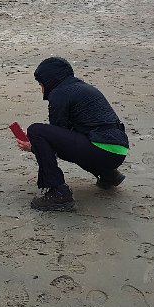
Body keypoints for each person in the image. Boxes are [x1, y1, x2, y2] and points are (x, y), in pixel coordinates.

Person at [15, 57, 129, 212]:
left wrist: (33, 146)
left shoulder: (59, 93)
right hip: (118, 152)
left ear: (50, 80)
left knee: (36, 130)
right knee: (78, 138)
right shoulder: (82, 88)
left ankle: (58, 192)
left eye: (41, 84)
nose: (41, 88)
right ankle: (108, 174)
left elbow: (56, 140)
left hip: (101, 149)